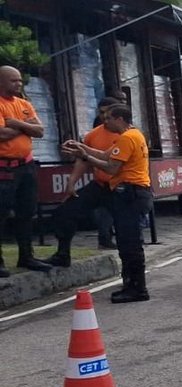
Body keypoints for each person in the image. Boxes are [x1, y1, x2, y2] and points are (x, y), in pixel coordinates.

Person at [63, 104, 154, 303]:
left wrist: (86, 157)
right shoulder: (133, 135)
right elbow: (106, 155)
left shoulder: (127, 138)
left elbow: (111, 168)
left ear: (120, 119)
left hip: (131, 193)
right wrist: (82, 148)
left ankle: (137, 288)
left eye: (109, 118)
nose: (105, 122)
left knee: (130, 243)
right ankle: (131, 285)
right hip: (133, 193)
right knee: (127, 241)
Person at [48, 97, 121, 268]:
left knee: (126, 225)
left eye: (109, 114)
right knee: (65, 212)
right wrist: (72, 183)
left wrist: (86, 153)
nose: (104, 117)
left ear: (118, 116)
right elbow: (83, 160)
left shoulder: (129, 135)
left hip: (122, 187)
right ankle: (63, 254)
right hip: (100, 185)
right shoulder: (93, 134)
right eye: (101, 113)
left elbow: (106, 159)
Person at [0, 65, 51, 277]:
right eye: (14, 81)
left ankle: (26, 255)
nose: (19, 84)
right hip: (4, 168)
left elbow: (39, 131)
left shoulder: (24, 104)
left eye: (20, 80)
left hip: (27, 166)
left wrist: (16, 124)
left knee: (27, 212)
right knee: (1, 213)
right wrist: (25, 126)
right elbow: (1, 135)